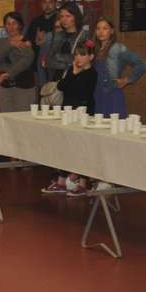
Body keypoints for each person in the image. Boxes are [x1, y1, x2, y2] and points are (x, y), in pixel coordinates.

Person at [42, 40, 98, 197]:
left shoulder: (92, 73)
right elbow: (61, 86)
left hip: (83, 113)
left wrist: (75, 74)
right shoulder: (73, 71)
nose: (78, 58)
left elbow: (82, 90)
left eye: (82, 55)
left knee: (82, 148)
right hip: (67, 112)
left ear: (91, 57)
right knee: (66, 147)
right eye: (76, 55)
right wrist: (73, 72)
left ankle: (83, 183)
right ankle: (61, 181)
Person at [92, 17, 146, 118]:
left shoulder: (118, 48)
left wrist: (127, 80)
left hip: (111, 93)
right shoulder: (94, 49)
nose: (101, 32)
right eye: (98, 28)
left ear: (112, 31)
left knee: (113, 125)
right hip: (97, 93)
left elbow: (142, 64)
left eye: (105, 28)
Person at [0, 11, 37, 113]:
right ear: (5, 26)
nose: (11, 27)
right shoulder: (0, 42)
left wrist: (9, 73)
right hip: (5, 86)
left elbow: (26, 61)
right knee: (6, 118)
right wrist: (11, 44)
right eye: (8, 24)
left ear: (20, 25)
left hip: (24, 86)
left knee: (22, 118)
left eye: (14, 23)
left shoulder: (26, 42)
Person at [44, 1, 88, 83]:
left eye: (68, 16)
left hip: (76, 81)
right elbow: (48, 61)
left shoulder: (83, 36)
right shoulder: (57, 36)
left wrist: (58, 56)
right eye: (61, 16)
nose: (64, 20)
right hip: (57, 81)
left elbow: (81, 62)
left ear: (75, 17)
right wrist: (68, 62)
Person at [24, 0, 59, 86]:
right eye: (44, 2)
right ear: (41, 3)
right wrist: (34, 42)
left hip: (55, 67)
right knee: (41, 93)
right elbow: (27, 41)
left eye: (50, 2)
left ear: (56, 3)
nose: (47, 5)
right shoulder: (35, 21)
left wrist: (46, 40)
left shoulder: (60, 21)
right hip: (37, 68)